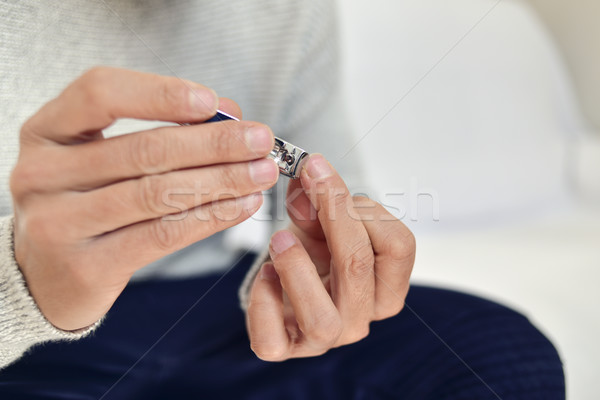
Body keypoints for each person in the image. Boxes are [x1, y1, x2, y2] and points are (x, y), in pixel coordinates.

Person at [0, 1, 564, 398]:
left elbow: (328, 203)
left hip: (215, 310)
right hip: (23, 353)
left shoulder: (288, 9)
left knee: (500, 355)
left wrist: (325, 282)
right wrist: (25, 287)